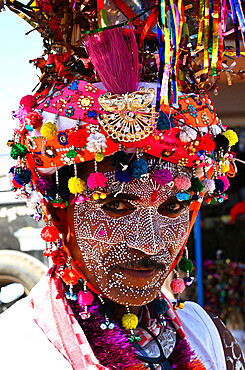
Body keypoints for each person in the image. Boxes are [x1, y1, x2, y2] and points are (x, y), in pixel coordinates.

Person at [1, 1, 245, 369]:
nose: (151, 241)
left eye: (173, 207)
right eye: (116, 205)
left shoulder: (207, 336)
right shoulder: (18, 349)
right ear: (58, 212)